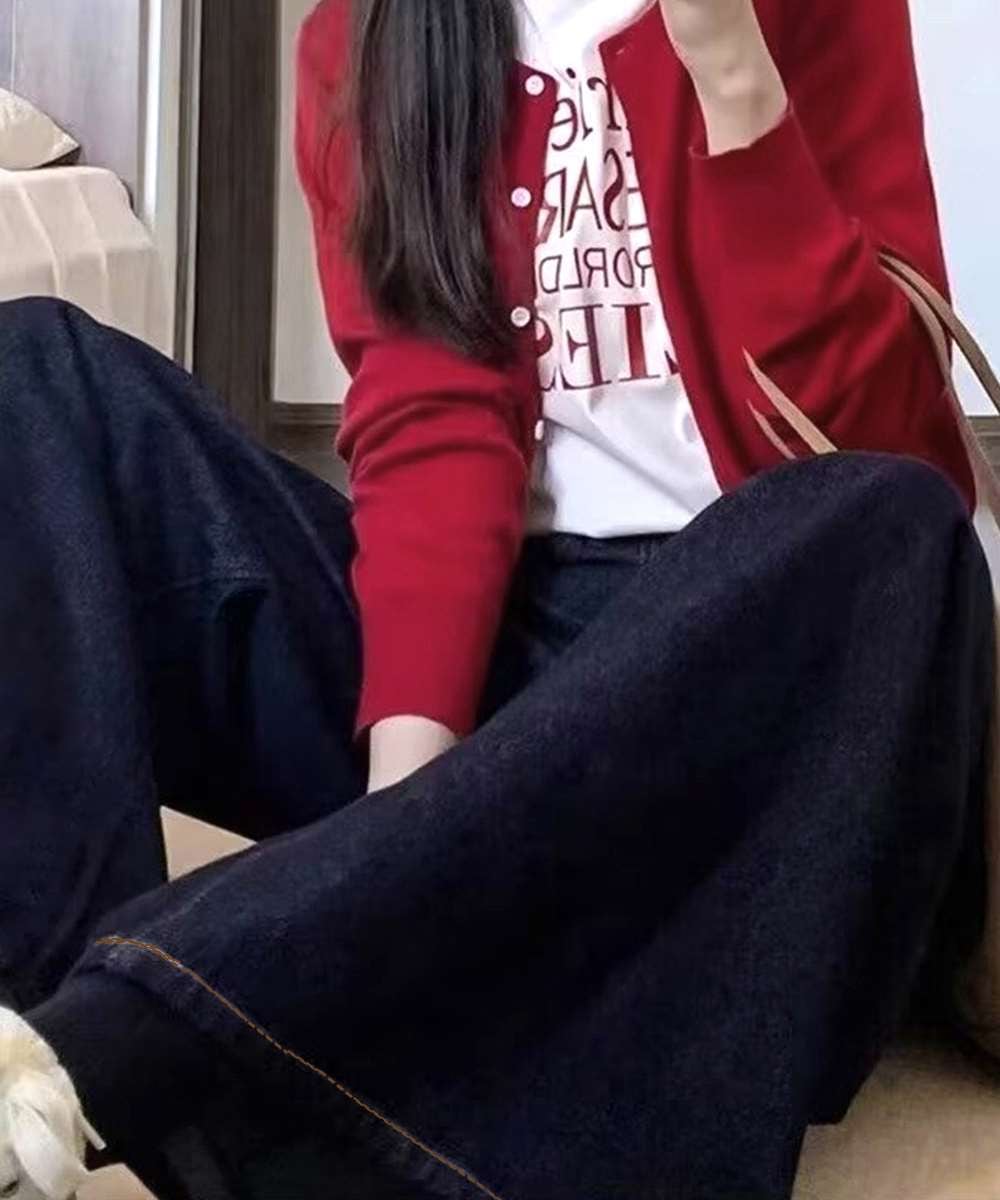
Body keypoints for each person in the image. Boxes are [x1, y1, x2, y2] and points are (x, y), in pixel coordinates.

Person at [0, 1, 995, 1197]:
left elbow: (890, 440)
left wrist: (732, 70)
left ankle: (125, 1039)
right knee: (32, 376)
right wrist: (399, 833)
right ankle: (43, 1066)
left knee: (889, 515)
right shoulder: (370, 34)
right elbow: (431, 423)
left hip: (755, 679)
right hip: (502, 672)